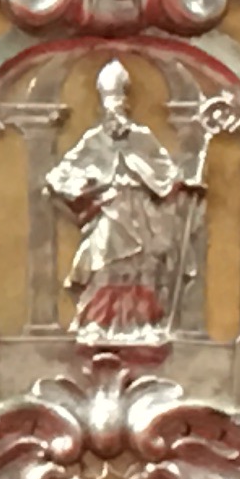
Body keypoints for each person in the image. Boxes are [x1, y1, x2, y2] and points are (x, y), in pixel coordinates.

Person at [44, 61, 196, 337]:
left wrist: (182, 183)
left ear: (126, 107)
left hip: (142, 211)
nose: (115, 117)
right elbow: (60, 175)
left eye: (119, 110)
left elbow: (166, 169)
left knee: (142, 269)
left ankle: (142, 324)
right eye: (110, 111)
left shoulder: (142, 137)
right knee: (105, 264)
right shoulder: (94, 139)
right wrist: (81, 185)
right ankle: (98, 323)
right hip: (108, 210)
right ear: (103, 111)